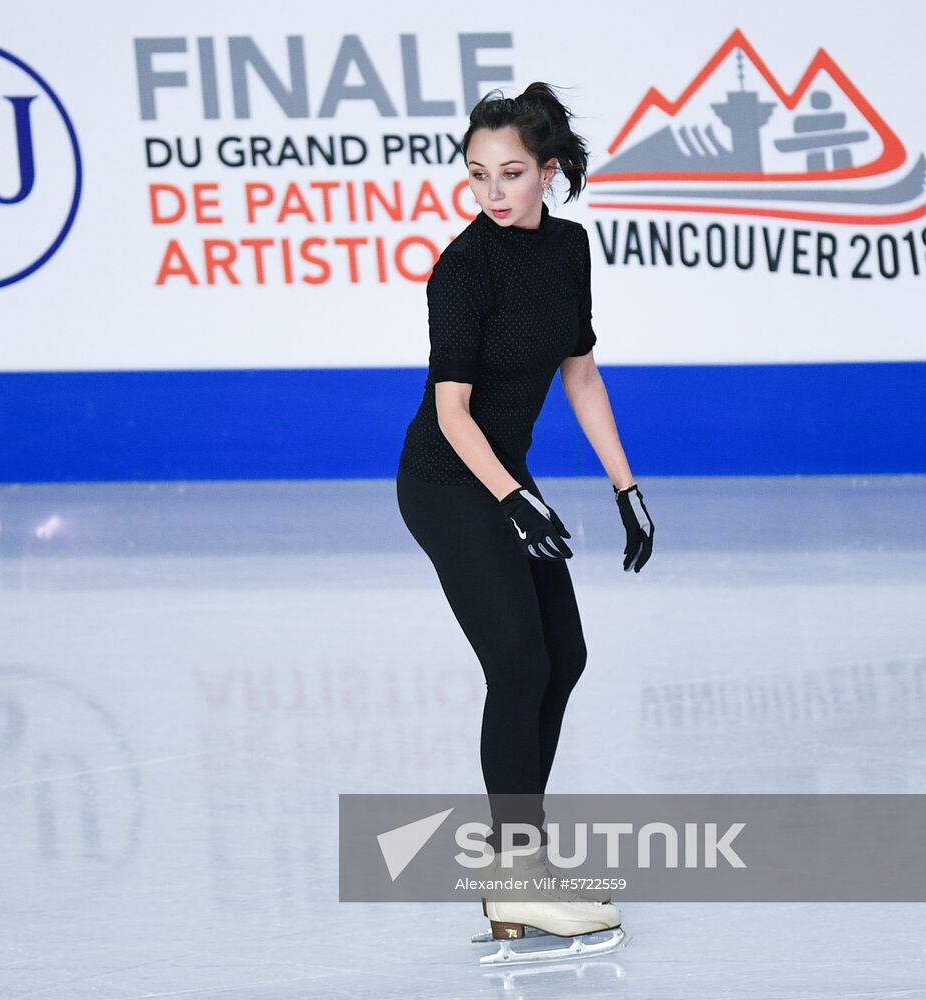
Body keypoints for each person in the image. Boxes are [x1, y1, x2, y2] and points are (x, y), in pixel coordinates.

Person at [394, 83, 654, 953]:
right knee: (518, 662)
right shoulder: (463, 268)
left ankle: (523, 863)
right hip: (447, 478)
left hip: (509, 477)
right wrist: (514, 499)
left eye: (511, 173)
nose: (493, 191)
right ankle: (514, 873)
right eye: (477, 175)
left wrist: (625, 487)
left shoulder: (569, 249)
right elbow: (454, 413)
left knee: (563, 657)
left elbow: (580, 374)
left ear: (549, 172)